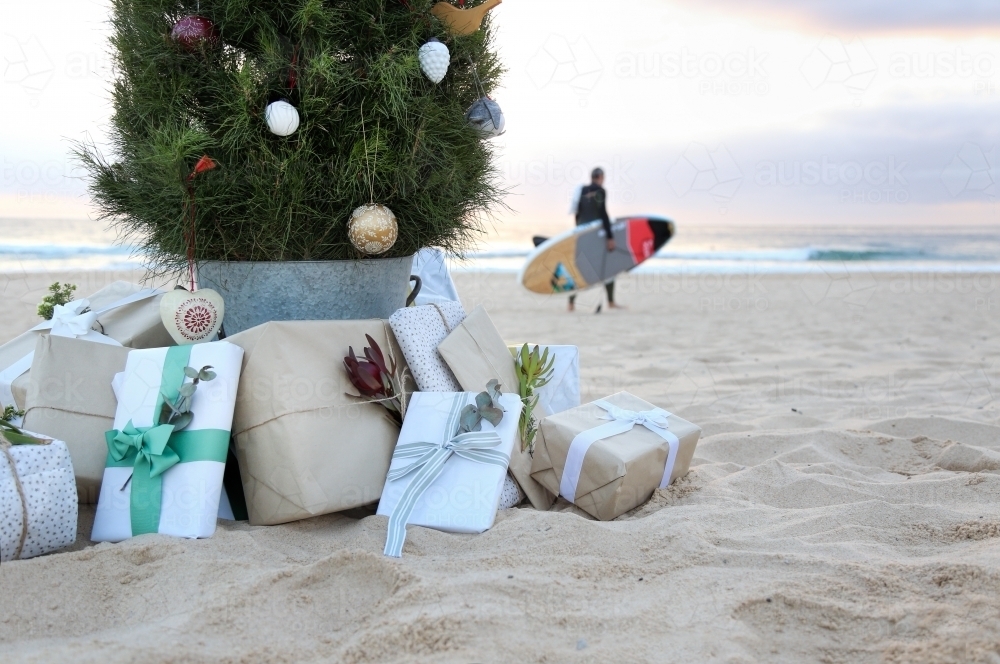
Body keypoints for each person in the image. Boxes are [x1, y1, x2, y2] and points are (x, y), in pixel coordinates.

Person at [568, 167, 620, 312]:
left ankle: (570, 304)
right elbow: (603, 213)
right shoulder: (600, 191)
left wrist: (578, 231)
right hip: (596, 234)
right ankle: (610, 302)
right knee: (608, 264)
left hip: (582, 233)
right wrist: (610, 237)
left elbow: (577, 214)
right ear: (601, 177)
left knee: (579, 268)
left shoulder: (581, 191)